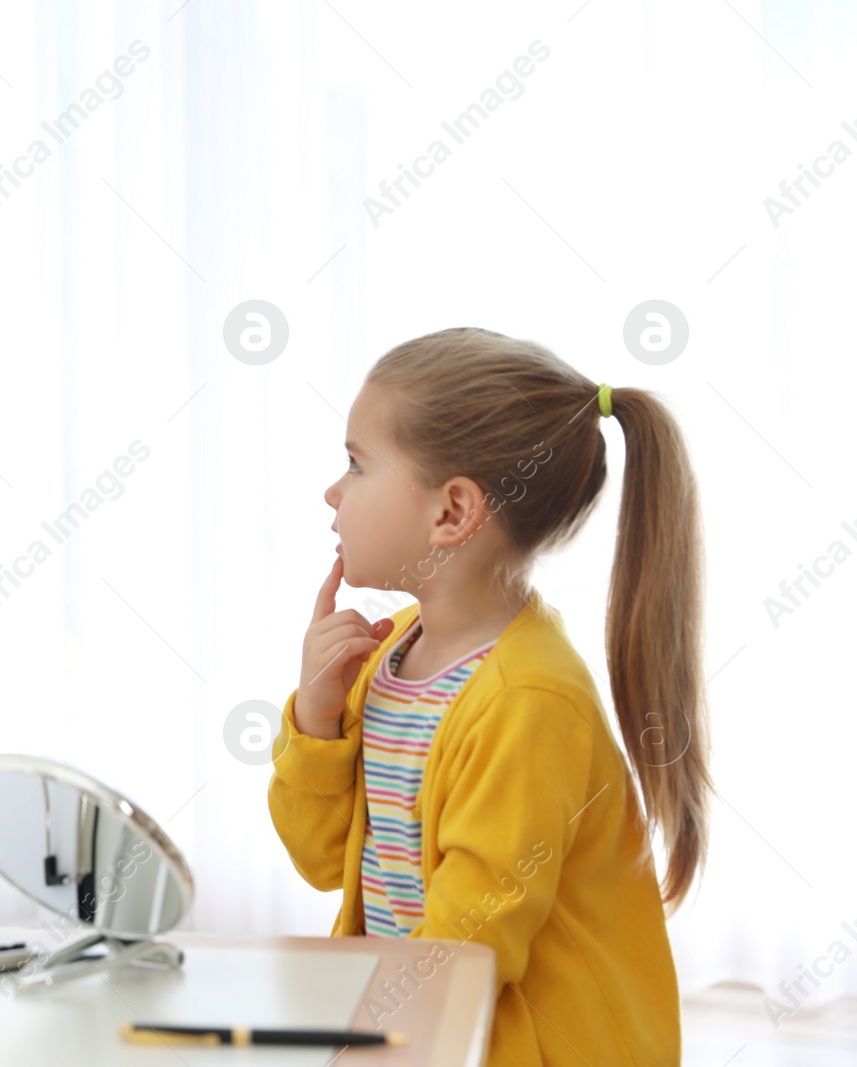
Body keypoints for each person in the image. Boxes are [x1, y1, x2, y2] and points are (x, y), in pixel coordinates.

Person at [268, 327, 708, 1064]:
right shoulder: (393, 658)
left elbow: (465, 949)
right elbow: (325, 860)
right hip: (431, 1029)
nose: (333, 490)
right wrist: (316, 723)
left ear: (452, 512)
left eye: (356, 462)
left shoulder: (528, 700)